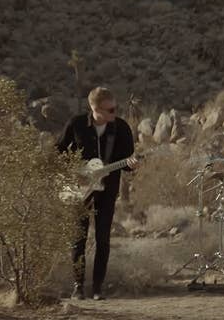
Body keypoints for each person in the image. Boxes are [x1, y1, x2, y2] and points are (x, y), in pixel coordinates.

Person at [56, 87, 139, 301]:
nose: (114, 113)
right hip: (79, 191)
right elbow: (58, 152)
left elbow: (127, 162)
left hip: (108, 190)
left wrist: (131, 164)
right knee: (78, 239)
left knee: (103, 239)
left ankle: (97, 288)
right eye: (110, 109)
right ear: (95, 109)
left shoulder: (120, 128)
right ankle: (78, 287)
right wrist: (76, 172)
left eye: (115, 108)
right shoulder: (76, 124)